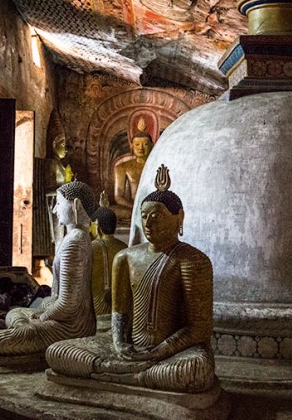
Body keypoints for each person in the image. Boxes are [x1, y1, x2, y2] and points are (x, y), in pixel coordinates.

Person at [46, 165, 216, 393]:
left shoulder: (192, 260)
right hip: (127, 348)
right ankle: (134, 375)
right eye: (144, 217)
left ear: (179, 218)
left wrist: (160, 351)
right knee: (57, 352)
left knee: (194, 370)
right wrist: (119, 343)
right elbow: (119, 314)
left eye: (156, 217)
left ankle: (115, 374)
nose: (148, 224)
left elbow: (199, 328)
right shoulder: (125, 257)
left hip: (171, 353)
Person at [0, 181, 96, 358]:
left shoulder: (75, 242)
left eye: (59, 204)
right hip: (68, 317)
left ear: (76, 205)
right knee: (16, 312)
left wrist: (42, 318)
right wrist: (45, 308)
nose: (54, 210)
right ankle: (25, 330)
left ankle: (25, 331)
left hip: (72, 326)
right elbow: (59, 298)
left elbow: (68, 305)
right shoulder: (77, 237)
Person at [90, 191, 128, 320]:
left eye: (92, 225)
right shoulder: (124, 248)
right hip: (119, 311)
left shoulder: (91, 247)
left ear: (97, 226)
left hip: (95, 312)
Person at [112, 118, 153, 219]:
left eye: (145, 144)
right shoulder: (122, 167)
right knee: (110, 211)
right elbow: (118, 197)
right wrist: (136, 207)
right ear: (132, 146)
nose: (141, 148)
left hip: (153, 206)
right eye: (137, 144)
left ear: (152, 146)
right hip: (131, 207)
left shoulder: (157, 165)